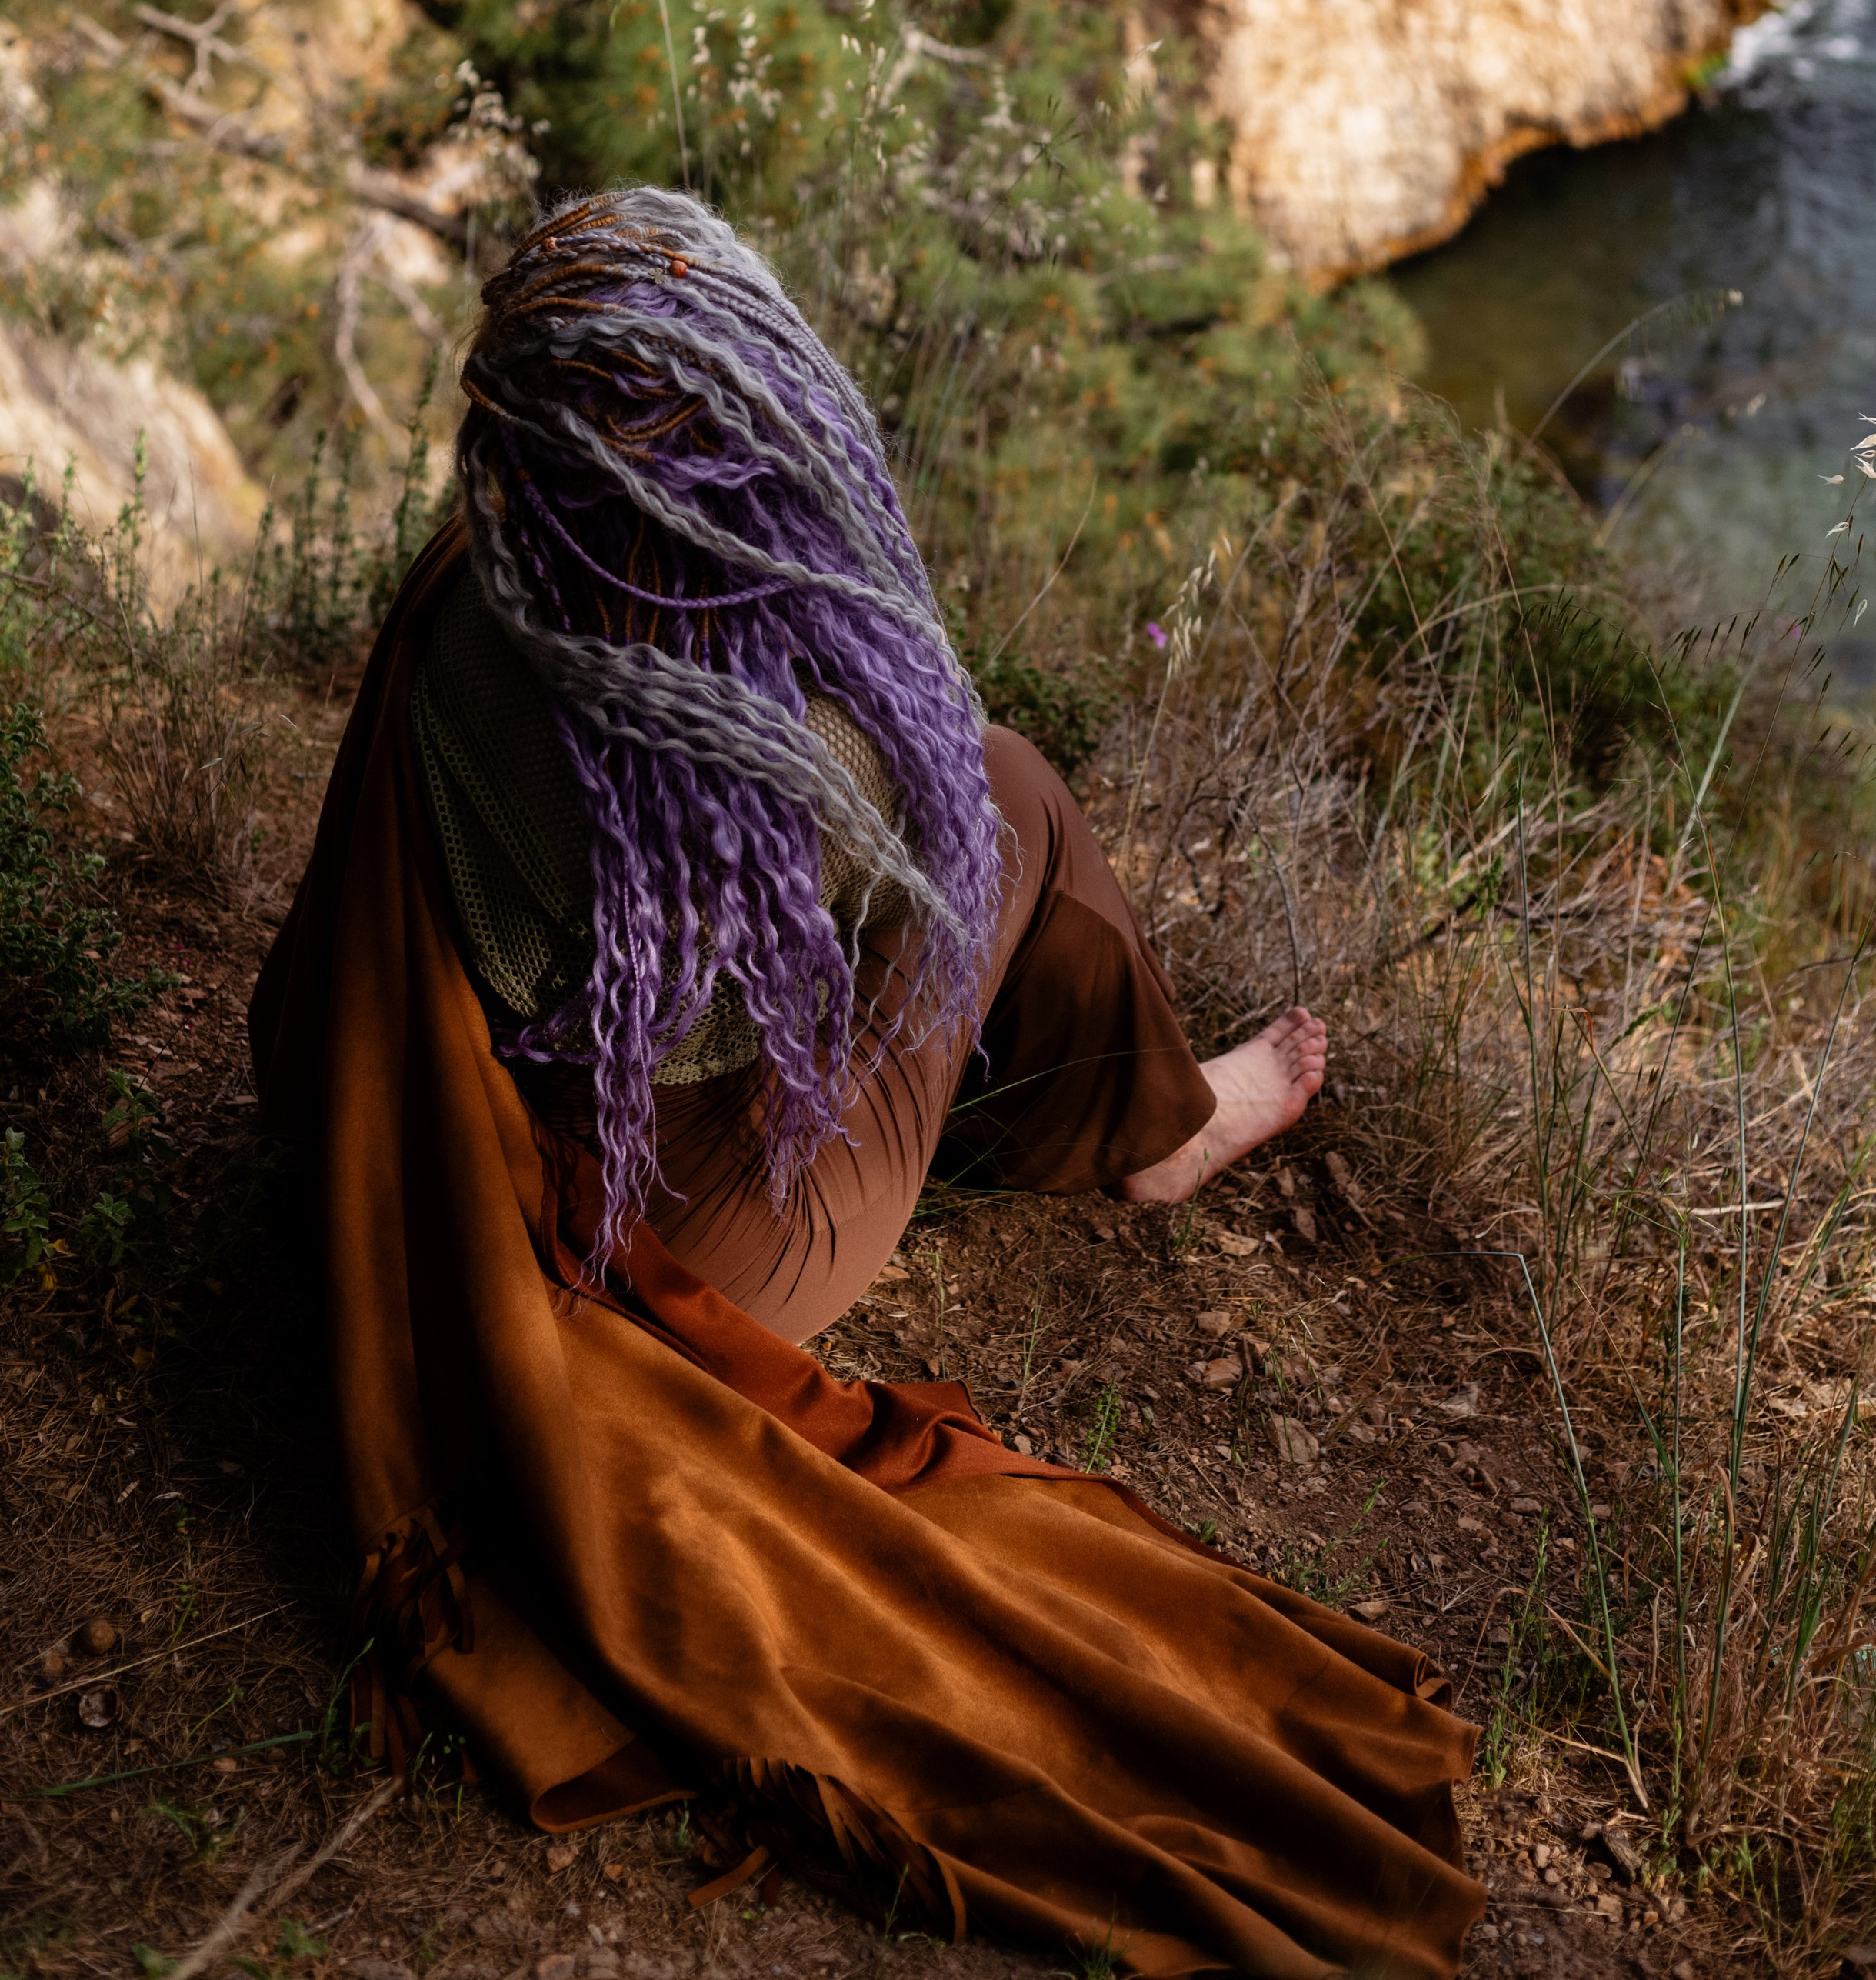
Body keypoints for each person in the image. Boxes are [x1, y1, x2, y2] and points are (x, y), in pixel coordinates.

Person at [252, 188, 1484, 1979]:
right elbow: (843, 910)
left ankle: (1082, 1094)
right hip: (653, 1263)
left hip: (421, 1166)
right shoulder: (716, 733)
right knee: (1002, 794)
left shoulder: (489, 570)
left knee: (953, 806)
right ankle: (1149, 1130)